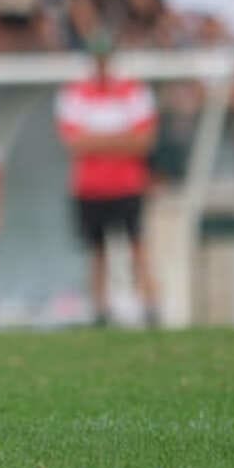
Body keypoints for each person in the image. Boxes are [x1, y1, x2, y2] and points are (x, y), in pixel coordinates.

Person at [56, 37, 160, 327]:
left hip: (128, 184)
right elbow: (73, 142)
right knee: (97, 249)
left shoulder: (133, 91)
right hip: (90, 186)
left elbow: (144, 141)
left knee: (137, 245)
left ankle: (149, 304)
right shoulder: (75, 93)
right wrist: (120, 140)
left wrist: (97, 141)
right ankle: (100, 309)